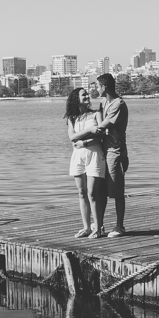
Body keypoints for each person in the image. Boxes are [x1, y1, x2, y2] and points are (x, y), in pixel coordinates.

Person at [64, 87, 106, 238]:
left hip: (94, 154)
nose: (88, 96)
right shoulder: (72, 118)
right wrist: (91, 129)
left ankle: (98, 229)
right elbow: (72, 137)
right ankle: (87, 227)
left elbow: (102, 136)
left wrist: (85, 142)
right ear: (76, 99)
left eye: (87, 94)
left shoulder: (96, 114)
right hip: (78, 157)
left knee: (92, 193)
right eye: (84, 95)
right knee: (82, 193)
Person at [93, 73, 129, 237]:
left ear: (104, 87)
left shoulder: (118, 104)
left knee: (116, 190)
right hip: (103, 150)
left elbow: (102, 127)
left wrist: (79, 138)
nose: (96, 89)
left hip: (114, 151)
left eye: (97, 86)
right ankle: (100, 224)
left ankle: (119, 226)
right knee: (100, 190)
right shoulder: (104, 102)